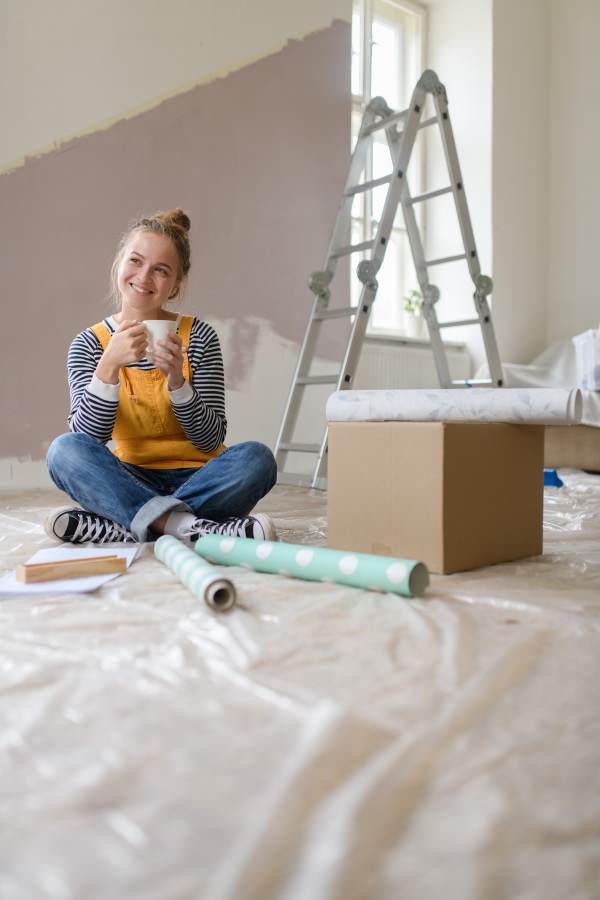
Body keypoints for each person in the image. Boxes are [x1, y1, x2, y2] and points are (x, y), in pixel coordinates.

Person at [45, 208, 278, 545]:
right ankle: (190, 527)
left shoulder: (199, 336)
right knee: (63, 451)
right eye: (136, 261)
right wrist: (108, 366)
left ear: (175, 285)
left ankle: (128, 524)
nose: (144, 277)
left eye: (161, 270)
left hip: (202, 475)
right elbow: (87, 439)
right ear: (119, 264)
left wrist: (177, 382)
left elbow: (211, 441)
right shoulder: (88, 344)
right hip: (129, 477)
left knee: (257, 459)